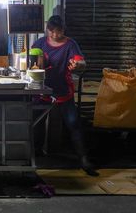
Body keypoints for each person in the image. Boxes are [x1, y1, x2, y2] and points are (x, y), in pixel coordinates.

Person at [32, 15, 97, 176]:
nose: (54, 35)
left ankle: (84, 159)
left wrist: (78, 64)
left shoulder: (70, 44)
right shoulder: (40, 43)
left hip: (63, 90)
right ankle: (36, 155)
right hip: (42, 90)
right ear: (47, 29)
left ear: (63, 30)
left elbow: (81, 62)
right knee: (36, 122)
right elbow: (30, 60)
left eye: (58, 31)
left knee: (73, 124)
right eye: (51, 31)